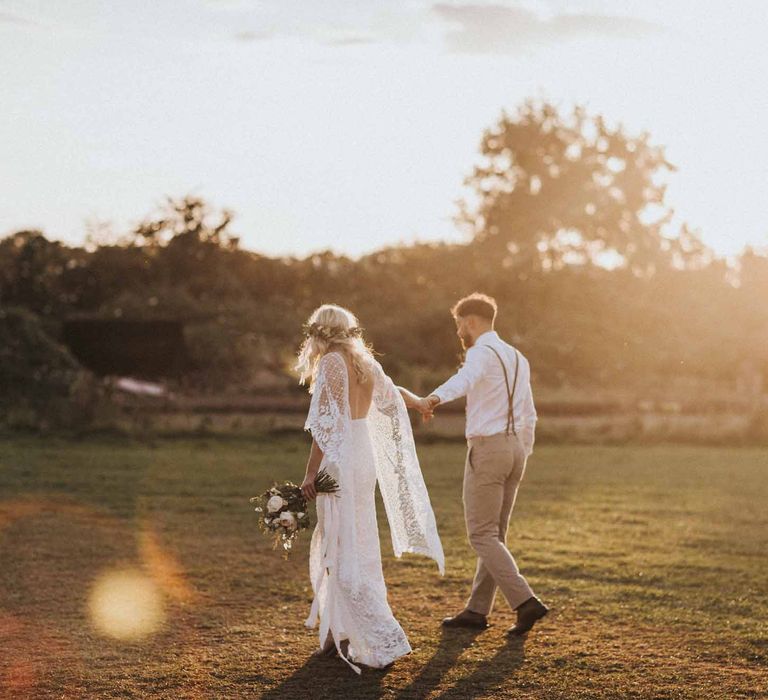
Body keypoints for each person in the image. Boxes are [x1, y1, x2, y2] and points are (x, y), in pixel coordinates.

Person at [297, 304, 444, 673]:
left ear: (320, 332)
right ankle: (336, 634)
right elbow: (394, 393)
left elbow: (327, 425)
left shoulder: (332, 362)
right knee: (355, 538)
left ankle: (381, 634)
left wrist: (310, 474)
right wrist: (420, 402)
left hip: (343, 456)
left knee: (342, 544)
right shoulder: (362, 360)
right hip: (363, 455)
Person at [412, 293, 548, 636]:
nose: (458, 329)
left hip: (489, 449)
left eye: (459, 322)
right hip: (516, 449)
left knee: (481, 534)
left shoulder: (480, 353)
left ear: (471, 321)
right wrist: (523, 450)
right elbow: (530, 412)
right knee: (495, 535)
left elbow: (464, 381)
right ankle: (476, 610)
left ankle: (525, 601)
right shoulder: (518, 357)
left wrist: (433, 398)